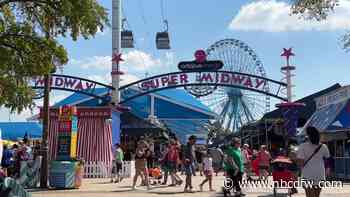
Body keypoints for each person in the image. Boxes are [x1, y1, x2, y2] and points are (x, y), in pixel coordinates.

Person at [297, 126, 330, 197]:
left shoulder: (302, 146)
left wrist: (294, 158)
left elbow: (301, 162)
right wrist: (328, 169)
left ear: (308, 135)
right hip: (320, 173)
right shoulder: (323, 146)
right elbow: (328, 159)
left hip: (308, 174)